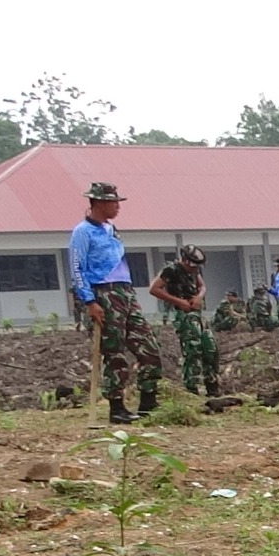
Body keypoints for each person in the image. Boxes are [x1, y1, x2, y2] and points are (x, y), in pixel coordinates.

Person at [68, 181, 161, 423]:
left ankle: (149, 402)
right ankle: (117, 408)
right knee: (114, 352)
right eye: (113, 202)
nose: (117, 207)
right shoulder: (82, 232)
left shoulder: (111, 229)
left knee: (148, 348)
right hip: (103, 293)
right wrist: (89, 302)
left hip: (125, 292)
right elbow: (77, 269)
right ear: (98, 203)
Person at [150, 245, 218, 400]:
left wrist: (199, 296)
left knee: (210, 349)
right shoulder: (171, 269)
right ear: (185, 260)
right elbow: (154, 289)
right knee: (192, 350)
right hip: (183, 314)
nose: (194, 269)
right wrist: (178, 301)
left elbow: (202, 286)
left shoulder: (195, 270)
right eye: (192, 265)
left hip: (197, 313)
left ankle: (212, 387)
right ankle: (191, 390)